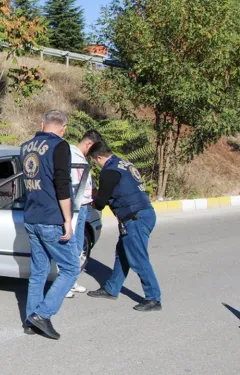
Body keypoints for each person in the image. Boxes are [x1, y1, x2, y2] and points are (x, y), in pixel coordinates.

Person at [21, 110, 80, 340]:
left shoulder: (25, 146)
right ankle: (42, 315)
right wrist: (67, 220)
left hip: (31, 217)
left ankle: (30, 320)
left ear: (41, 123)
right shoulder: (60, 146)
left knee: (38, 272)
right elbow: (62, 185)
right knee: (71, 268)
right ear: (63, 128)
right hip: (51, 218)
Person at [86, 141, 162, 312]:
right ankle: (111, 288)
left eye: (95, 161)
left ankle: (153, 298)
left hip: (135, 219)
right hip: (143, 214)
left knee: (138, 258)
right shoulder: (124, 164)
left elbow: (100, 203)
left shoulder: (109, 171)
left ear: (99, 157)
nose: (96, 165)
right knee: (123, 254)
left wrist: (89, 199)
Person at [65, 130, 103, 298]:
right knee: (70, 246)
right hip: (74, 207)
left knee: (78, 247)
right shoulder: (71, 156)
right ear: (89, 144)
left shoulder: (82, 158)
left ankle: (72, 282)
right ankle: (64, 285)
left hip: (84, 207)